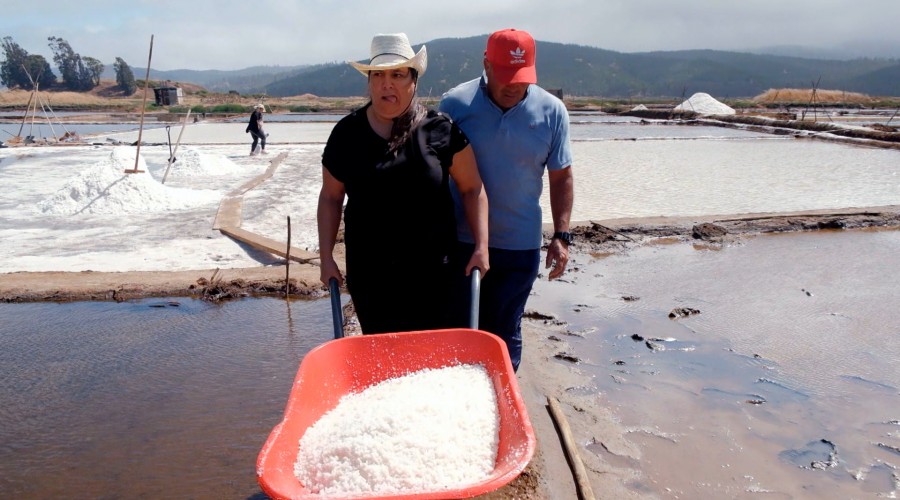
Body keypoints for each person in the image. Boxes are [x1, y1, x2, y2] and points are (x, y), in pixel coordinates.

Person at [317, 33, 489, 335]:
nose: (387, 83)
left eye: (397, 74)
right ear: (369, 82)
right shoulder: (347, 134)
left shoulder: (440, 129)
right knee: (383, 360)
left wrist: (481, 246)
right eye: (379, 75)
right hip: (371, 276)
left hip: (434, 274)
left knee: (431, 361)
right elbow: (331, 197)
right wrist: (326, 257)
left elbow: (472, 188)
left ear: (414, 81)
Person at [439, 28, 574, 370]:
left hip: (520, 247)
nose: (514, 86)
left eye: (522, 77)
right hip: (462, 242)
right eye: (505, 75)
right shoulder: (455, 105)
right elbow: (436, 175)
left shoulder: (553, 112)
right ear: (486, 64)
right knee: (459, 330)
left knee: (504, 332)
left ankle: (502, 402)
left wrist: (561, 235)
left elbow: (561, 177)